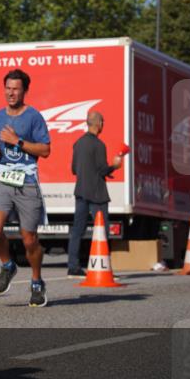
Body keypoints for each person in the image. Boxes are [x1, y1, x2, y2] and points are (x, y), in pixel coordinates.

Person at [0, 69, 51, 307]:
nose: (11, 93)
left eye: (16, 89)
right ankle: (7, 265)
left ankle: (36, 282)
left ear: (24, 91)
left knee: (29, 239)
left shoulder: (34, 117)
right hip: (3, 178)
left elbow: (45, 150)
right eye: (8, 88)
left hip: (27, 182)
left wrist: (18, 142)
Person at [66, 111, 123, 278]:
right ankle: (103, 268)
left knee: (77, 230)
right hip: (97, 194)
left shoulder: (78, 143)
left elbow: (74, 169)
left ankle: (73, 267)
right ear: (99, 124)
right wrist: (114, 166)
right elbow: (101, 169)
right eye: (103, 122)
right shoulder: (99, 145)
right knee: (102, 231)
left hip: (81, 191)